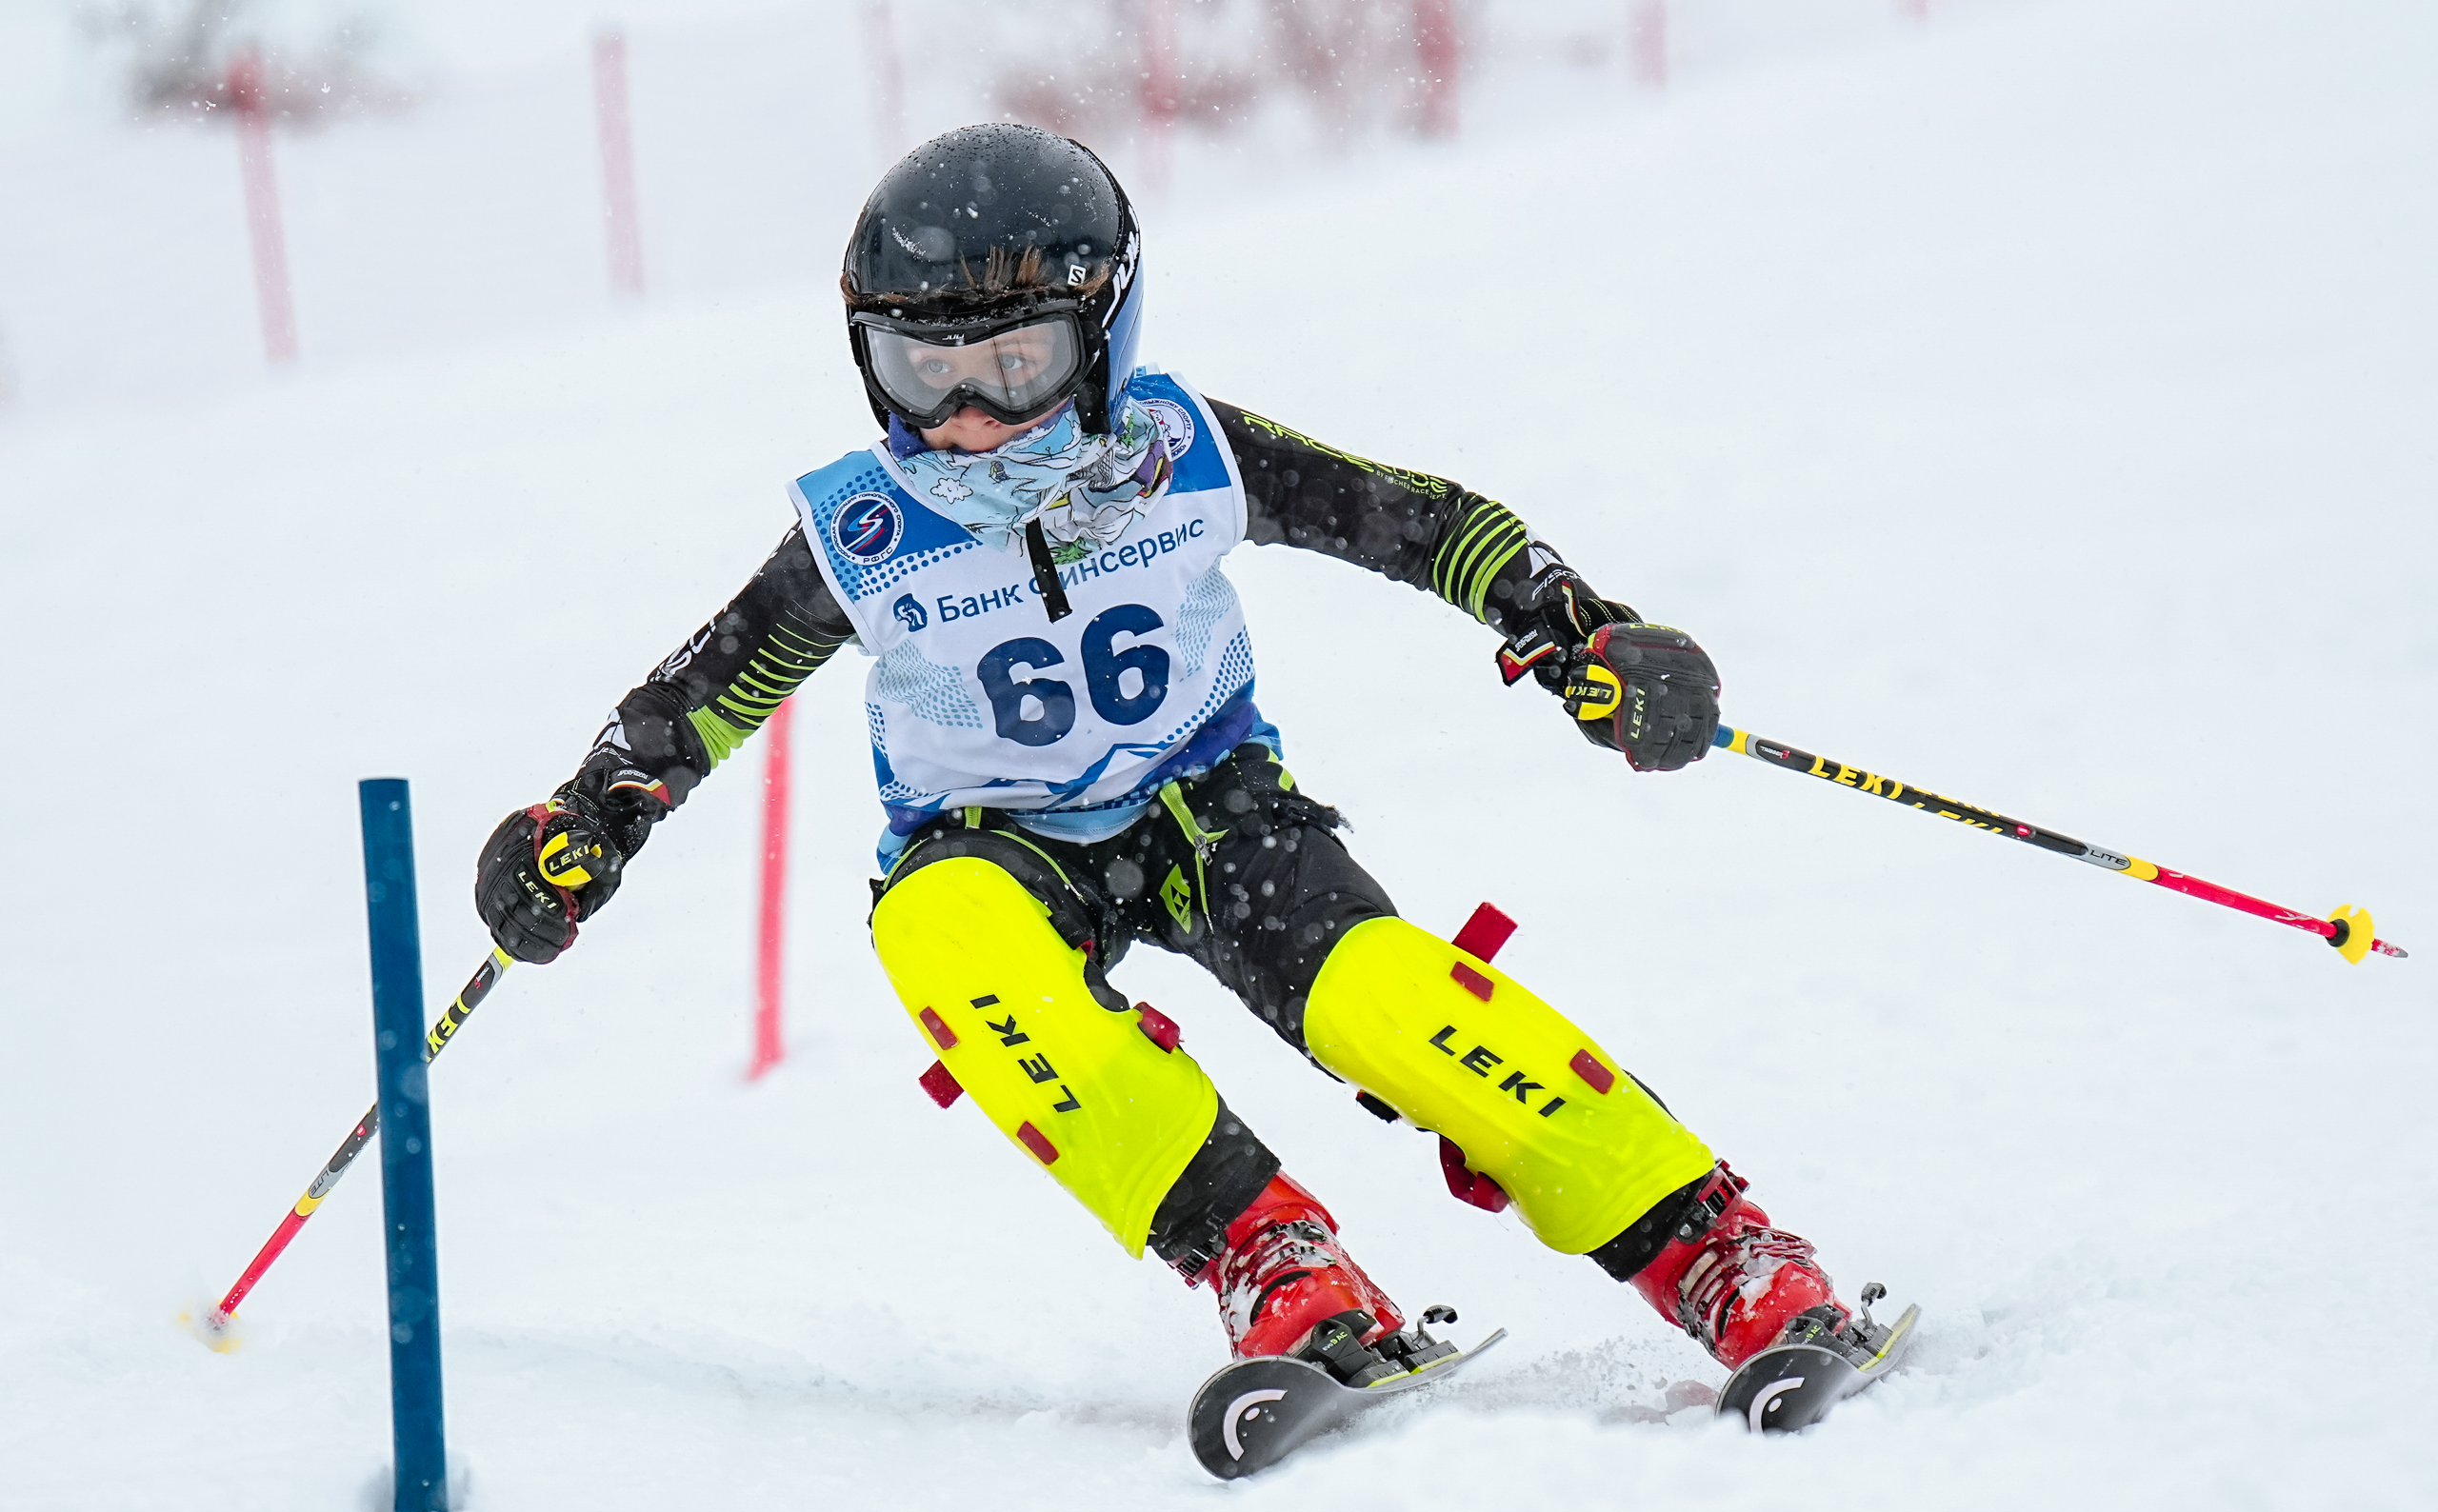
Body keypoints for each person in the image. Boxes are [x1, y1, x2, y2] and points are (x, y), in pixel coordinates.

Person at [477, 123, 1885, 1390]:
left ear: (1102, 336)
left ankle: (1712, 1245)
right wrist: (592, 819)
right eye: (926, 372)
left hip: (1211, 810)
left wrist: (1575, 629)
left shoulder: (1187, 451)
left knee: (1387, 997)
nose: (968, 417)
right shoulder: (862, 532)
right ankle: (1272, 1261)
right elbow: (697, 700)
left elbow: (1430, 523)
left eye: (1015, 364)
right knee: (937, 936)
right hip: (996, 844)